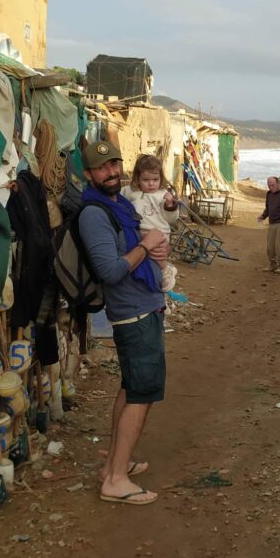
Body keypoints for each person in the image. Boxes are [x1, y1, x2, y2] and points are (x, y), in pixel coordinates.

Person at [78, 140, 169, 506]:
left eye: (114, 163)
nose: (111, 171)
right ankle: (116, 480)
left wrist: (154, 247)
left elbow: (138, 241)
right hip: (133, 314)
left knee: (131, 388)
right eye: (102, 167)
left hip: (144, 306)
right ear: (88, 174)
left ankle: (114, 465)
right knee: (141, 394)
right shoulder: (94, 214)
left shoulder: (119, 204)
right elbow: (110, 270)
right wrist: (146, 247)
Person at [121, 154, 179, 291]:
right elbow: (118, 199)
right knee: (141, 254)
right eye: (146, 180)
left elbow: (171, 219)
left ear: (161, 179)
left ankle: (166, 271)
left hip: (159, 232)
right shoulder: (129, 191)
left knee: (156, 254)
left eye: (155, 179)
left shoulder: (162, 195)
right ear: (137, 179)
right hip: (139, 230)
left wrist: (170, 205)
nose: (151, 184)